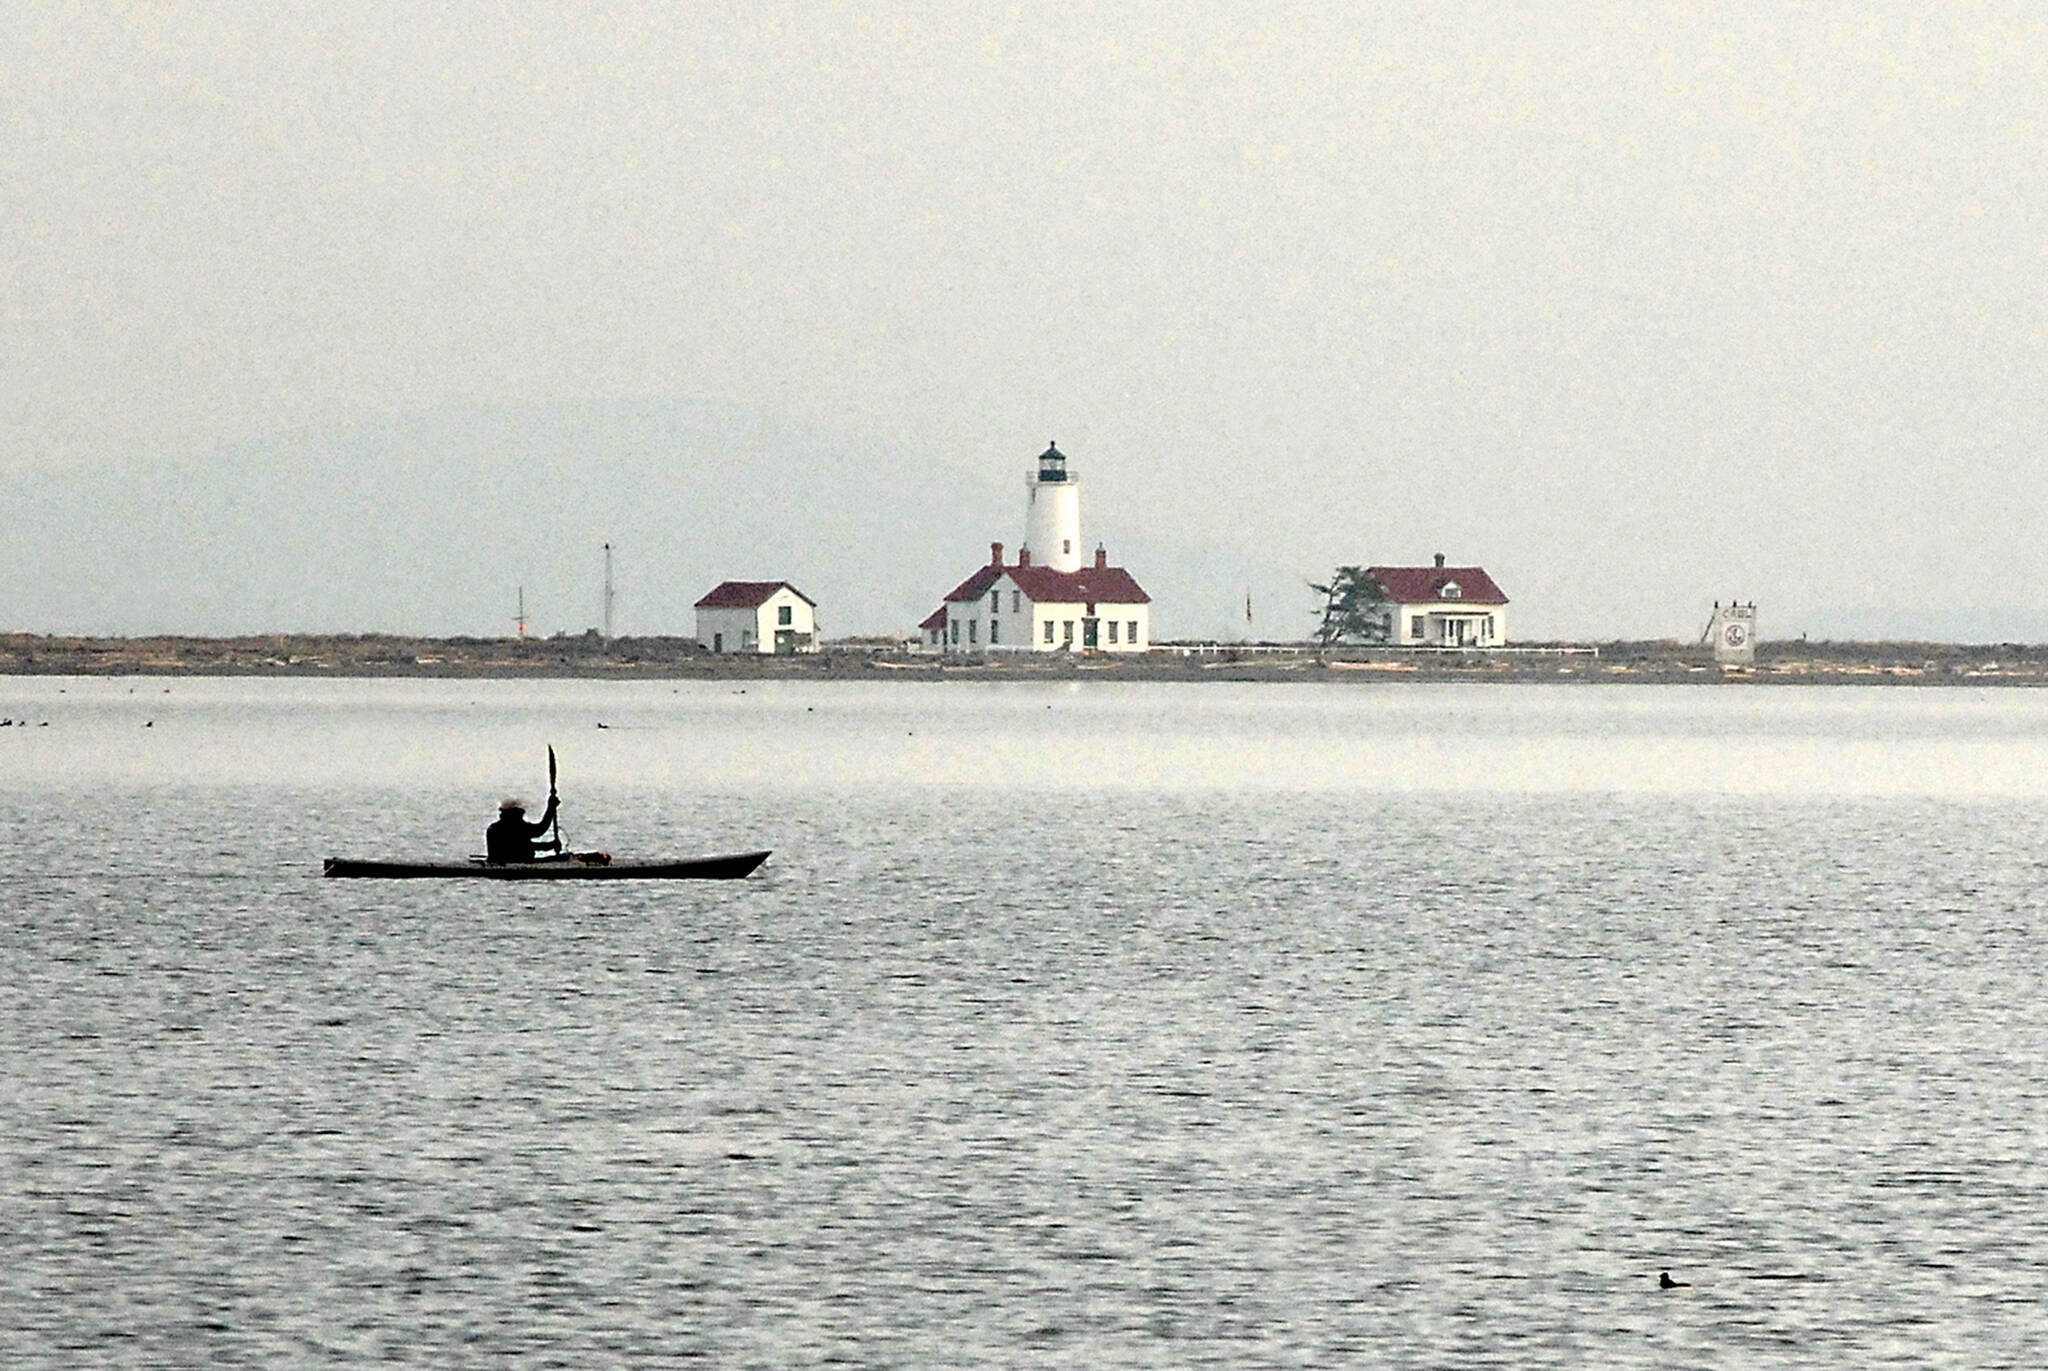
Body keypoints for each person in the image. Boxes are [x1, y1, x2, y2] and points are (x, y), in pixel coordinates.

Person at [486, 795, 560, 863]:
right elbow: (538, 831)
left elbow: (527, 842)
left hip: (501, 861)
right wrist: (550, 809)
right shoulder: (513, 827)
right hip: (514, 862)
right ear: (514, 814)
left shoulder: (494, 827)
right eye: (519, 813)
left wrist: (551, 808)